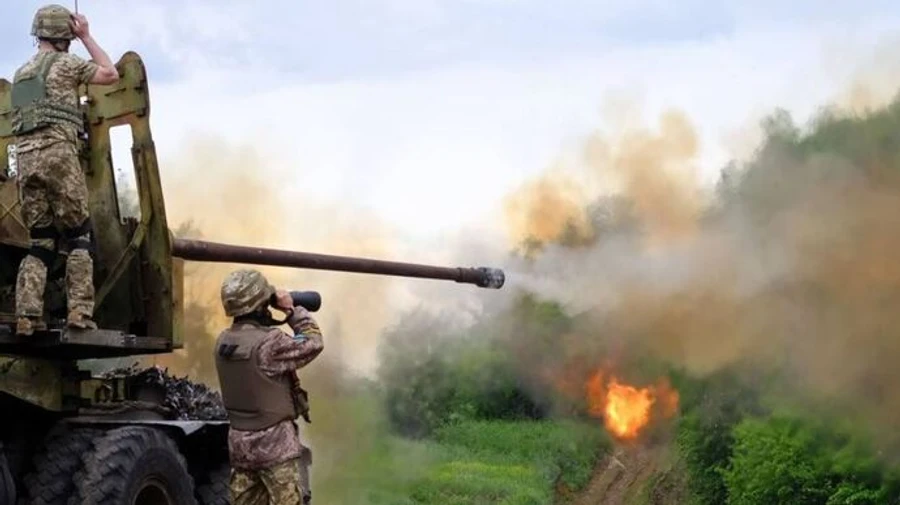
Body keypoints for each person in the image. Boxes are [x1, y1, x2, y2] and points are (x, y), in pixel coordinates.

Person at [11, 4, 119, 335]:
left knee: (40, 241)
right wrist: (86, 36)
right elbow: (110, 74)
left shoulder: (21, 72)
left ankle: (27, 316)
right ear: (65, 36)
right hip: (58, 156)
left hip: (25, 161)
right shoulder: (67, 64)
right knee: (78, 236)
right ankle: (79, 312)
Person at [214, 269, 324, 504]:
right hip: (276, 451)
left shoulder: (223, 341)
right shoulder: (270, 343)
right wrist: (291, 310)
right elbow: (314, 342)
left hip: (241, 450)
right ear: (260, 303)